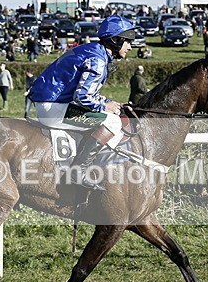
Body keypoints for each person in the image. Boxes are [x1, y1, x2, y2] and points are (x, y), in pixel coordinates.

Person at [29, 14, 135, 201]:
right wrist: (105, 106)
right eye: (128, 42)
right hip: (53, 109)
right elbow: (83, 97)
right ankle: (79, 172)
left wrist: (110, 103)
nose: (130, 47)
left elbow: (87, 94)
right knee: (111, 122)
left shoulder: (93, 51)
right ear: (116, 40)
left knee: (110, 114)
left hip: (54, 103)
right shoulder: (98, 60)